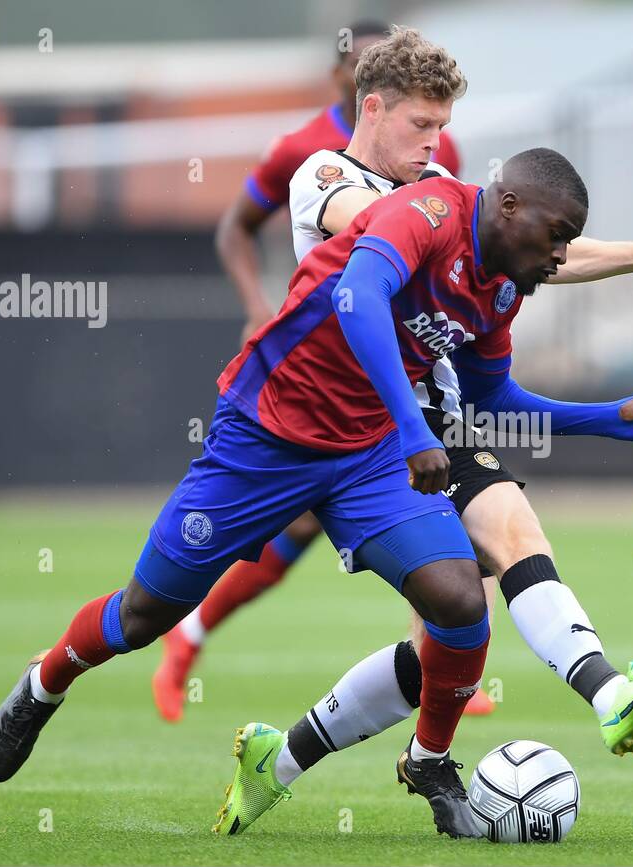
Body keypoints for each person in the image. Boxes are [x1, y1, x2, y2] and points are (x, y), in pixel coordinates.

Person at [156, 30, 633, 792]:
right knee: (454, 595)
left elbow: (528, 249)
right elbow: (419, 232)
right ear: (373, 108)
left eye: (443, 127)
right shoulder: (326, 176)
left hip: (429, 422)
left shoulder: (443, 193)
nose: (435, 143)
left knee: (445, 635)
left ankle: (286, 763)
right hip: (361, 424)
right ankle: (503, 729)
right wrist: (486, 225)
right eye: (422, 125)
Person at [152, 20, 463, 722]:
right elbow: (234, 227)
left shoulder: (431, 150)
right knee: (299, 530)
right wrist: (259, 305)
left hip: (393, 383)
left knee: (442, 534)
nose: (432, 133)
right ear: (355, 86)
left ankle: (442, 668)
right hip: (316, 379)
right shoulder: (306, 156)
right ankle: (186, 634)